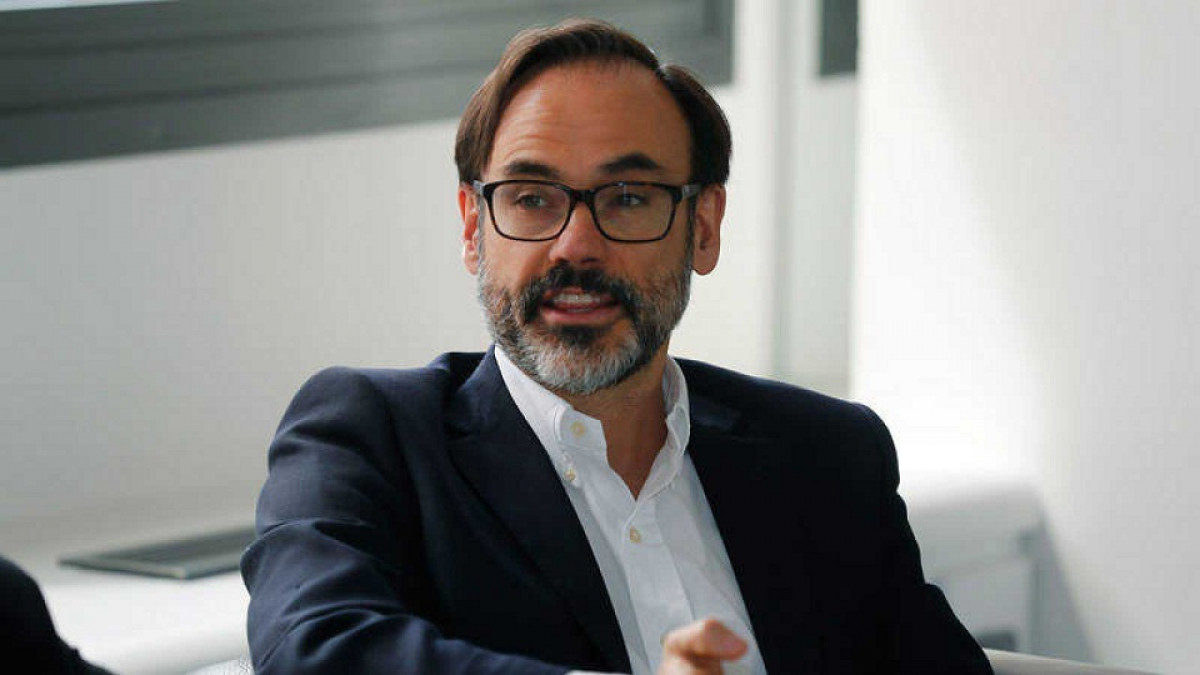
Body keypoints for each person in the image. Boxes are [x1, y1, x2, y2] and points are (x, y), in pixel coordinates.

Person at [241, 18, 992, 675]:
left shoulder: (827, 454)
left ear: (703, 227)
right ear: (474, 228)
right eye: (531, 198)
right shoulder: (369, 434)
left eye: (628, 198)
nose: (577, 245)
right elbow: (315, 651)